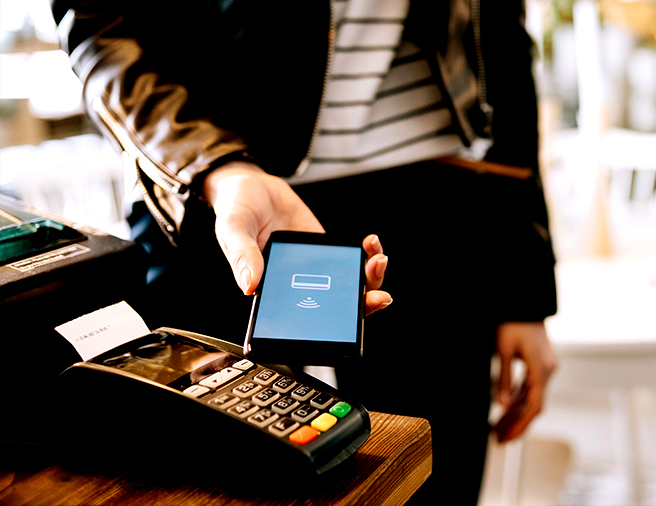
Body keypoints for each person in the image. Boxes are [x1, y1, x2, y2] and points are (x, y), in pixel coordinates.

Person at [51, 0, 558, 502]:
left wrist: (524, 288)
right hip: (219, 194)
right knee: (209, 479)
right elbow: (100, 21)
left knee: (430, 477)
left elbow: (500, 40)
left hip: (435, 199)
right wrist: (214, 166)